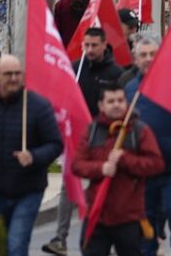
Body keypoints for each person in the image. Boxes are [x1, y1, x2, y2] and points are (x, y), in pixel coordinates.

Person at [45, 26, 126, 255]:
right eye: (86, 45)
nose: (89, 50)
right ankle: (60, 238)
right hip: (78, 138)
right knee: (68, 185)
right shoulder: (75, 69)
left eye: (94, 45)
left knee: (102, 188)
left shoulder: (115, 73)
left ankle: (104, 235)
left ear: (103, 45)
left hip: (104, 138)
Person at [72, 81, 165, 256]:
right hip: (97, 215)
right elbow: (77, 165)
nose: (117, 105)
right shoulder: (91, 131)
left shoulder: (140, 131)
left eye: (120, 100)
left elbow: (156, 164)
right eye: (111, 101)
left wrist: (125, 159)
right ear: (101, 105)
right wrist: (101, 168)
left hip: (128, 216)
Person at [0, 55, 64, 256]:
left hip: (28, 191)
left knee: (16, 245)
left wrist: (34, 156)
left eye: (17, 74)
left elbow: (56, 144)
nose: (13, 78)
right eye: (8, 74)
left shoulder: (38, 106)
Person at [124, 37, 171, 256]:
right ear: (135, 59)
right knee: (147, 217)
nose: (148, 59)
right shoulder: (130, 89)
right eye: (143, 55)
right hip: (144, 168)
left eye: (152, 54)